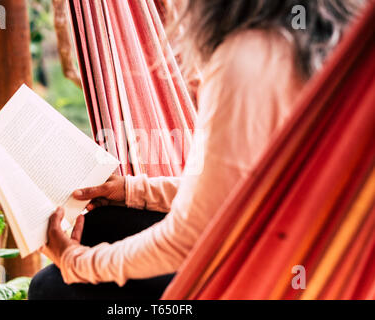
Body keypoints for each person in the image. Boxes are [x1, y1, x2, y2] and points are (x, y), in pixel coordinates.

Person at [28, 0, 362, 300]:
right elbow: (240, 191)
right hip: (319, 261)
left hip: (264, 277)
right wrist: (132, 190)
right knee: (104, 221)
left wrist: (77, 263)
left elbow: (187, 238)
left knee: (50, 289)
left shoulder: (246, 60)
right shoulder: (339, 42)